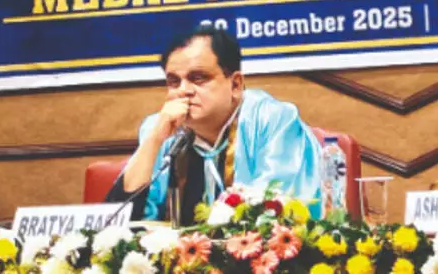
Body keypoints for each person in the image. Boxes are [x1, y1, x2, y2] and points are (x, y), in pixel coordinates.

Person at [106, 26, 323, 224]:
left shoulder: (272, 120)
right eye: (174, 81)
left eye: (198, 78)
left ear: (235, 84)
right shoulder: (160, 128)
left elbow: (275, 213)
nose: (183, 90)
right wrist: (153, 141)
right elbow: (118, 221)